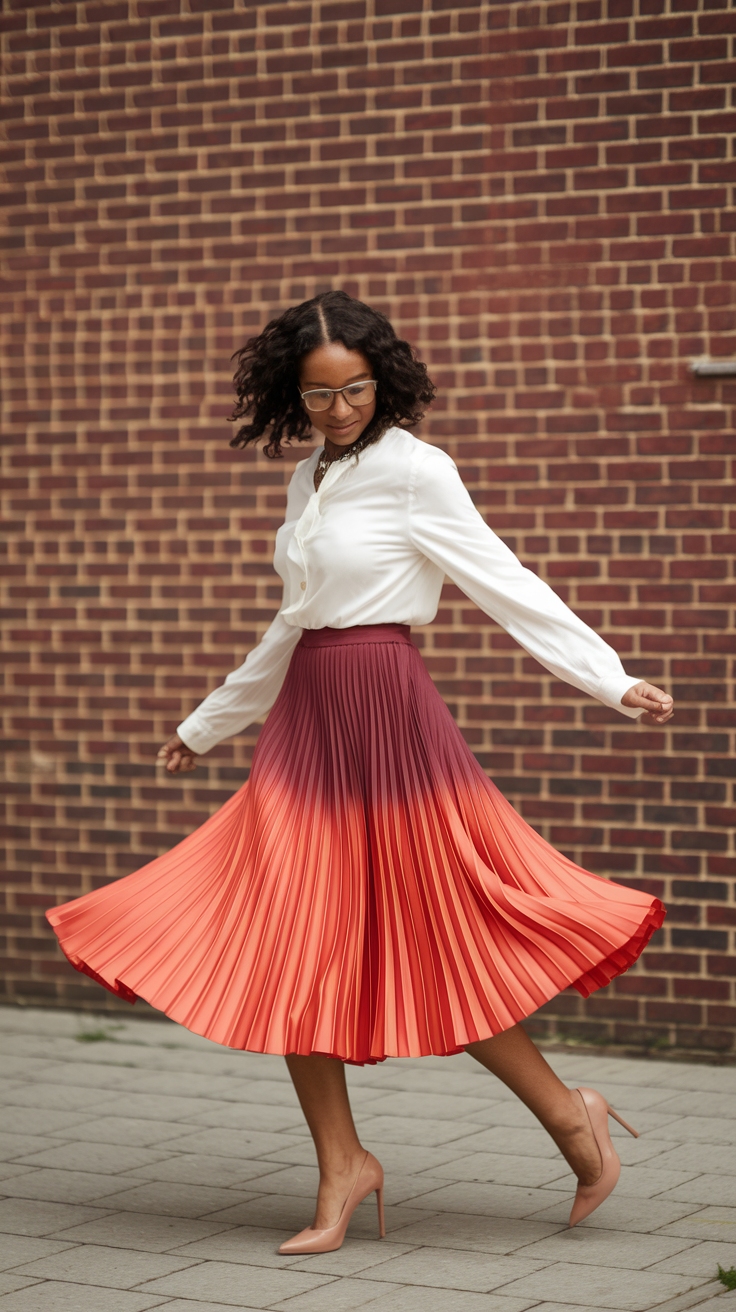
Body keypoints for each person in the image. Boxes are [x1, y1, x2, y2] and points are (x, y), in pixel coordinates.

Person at [47, 290, 672, 1255]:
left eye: (358, 389)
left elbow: (505, 581)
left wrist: (610, 678)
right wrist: (206, 725)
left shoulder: (419, 471)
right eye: (321, 394)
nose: (342, 409)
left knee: (433, 936)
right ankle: (343, 1164)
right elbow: (293, 621)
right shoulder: (309, 479)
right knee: (294, 928)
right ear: (292, 395)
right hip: (309, 719)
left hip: (387, 717)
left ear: (384, 379)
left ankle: (569, 1117)